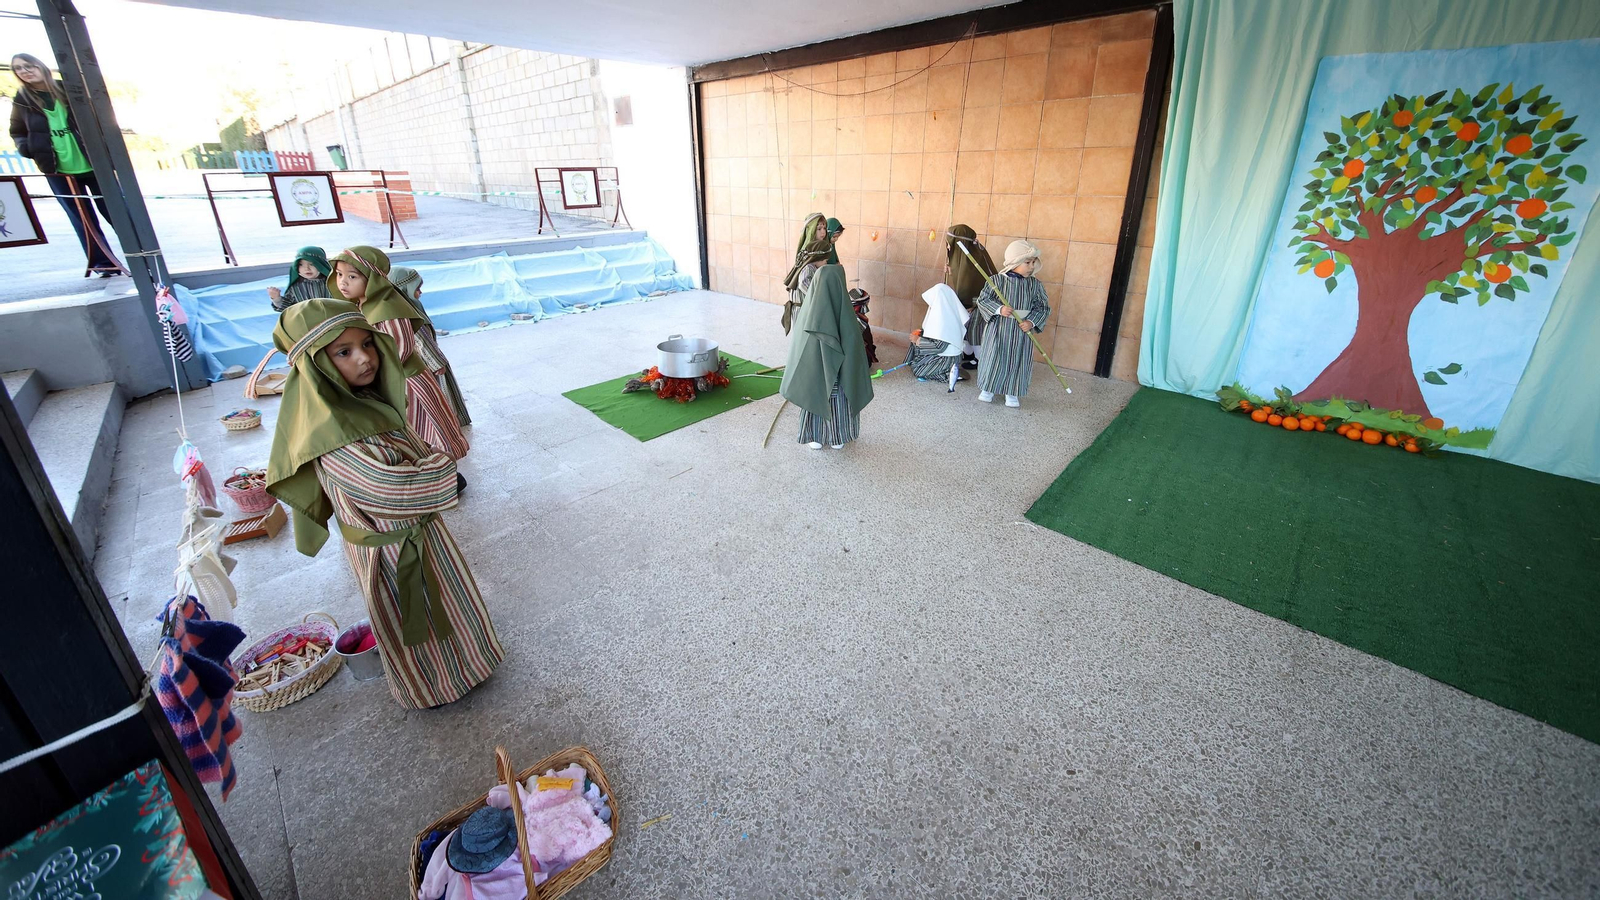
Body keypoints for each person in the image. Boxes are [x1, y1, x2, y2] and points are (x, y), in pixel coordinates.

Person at [264, 299, 503, 709]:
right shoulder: (333, 431)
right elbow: (389, 490)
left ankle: (467, 664)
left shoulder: (359, 405)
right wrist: (439, 466)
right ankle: (435, 685)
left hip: (414, 534)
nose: (364, 358)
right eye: (344, 352)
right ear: (316, 365)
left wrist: (425, 459)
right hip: (391, 547)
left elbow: (413, 450)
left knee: (442, 604)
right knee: (418, 617)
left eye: (367, 345)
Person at [329, 247, 471, 473]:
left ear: (373, 277)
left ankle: (446, 478)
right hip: (392, 381)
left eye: (352, 276)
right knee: (412, 435)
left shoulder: (388, 308)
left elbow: (400, 350)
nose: (343, 282)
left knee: (427, 431)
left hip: (407, 383)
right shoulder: (364, 304)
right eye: (339, 274)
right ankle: (432, 474)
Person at [8, 52, 123, 277]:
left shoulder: (68, 89)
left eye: (28, 66)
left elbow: (99, 116)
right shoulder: (22, 99)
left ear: (41, 66)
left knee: (117, 212)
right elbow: (17, 131)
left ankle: (139, 254)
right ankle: (103, 264)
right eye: (18, 69)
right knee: (82, 218)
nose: (24, 71)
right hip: (58, 170)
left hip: (93, 164)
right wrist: (27, 148)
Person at [780, 262, 874, 449]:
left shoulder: (808, 314)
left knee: (815, 396)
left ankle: (816, 436)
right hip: (841, 381)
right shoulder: (847, 312)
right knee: (839, 402)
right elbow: (855, 347)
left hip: (815, 378)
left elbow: (800, 351)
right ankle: (838, 436)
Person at [389, 265, 472, 428]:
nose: (420, 293)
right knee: (438, 395)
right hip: (426, 365)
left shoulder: (405, 307)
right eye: (417, 289)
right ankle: (447, 424)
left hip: (421, 364)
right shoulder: (408, 312)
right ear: (403, 288)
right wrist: (436, 363)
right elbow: (420, 340)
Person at [975, 240, 1051, 408]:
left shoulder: (1034, 285)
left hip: (1021, 331)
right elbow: (983, 300)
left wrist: (1031, 322)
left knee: (1017, 361)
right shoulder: (996, 281)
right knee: (994, 358)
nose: (1031, 266)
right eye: (1027, 262)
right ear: (1014, 262)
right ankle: (988, 389)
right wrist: (999, 309)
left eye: (1033, 263)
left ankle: (1012, 392)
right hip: (999, 329)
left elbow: (1043, 307)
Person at [780, 212, 843, 335]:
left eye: (824, 228)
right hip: (803, 306)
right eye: (818, 228)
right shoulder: (808, 260)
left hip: (810, 304)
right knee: (802, 336)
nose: (823, 232)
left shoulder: (825, 247)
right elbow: (808, 285)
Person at [945, 224, 996, 370]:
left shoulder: (971, 257)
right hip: (972, 301)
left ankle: (979, 359)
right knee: (965, 327)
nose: (948, 245)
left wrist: (970, 304)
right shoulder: (964, 253)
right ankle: (968, 354)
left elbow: (973, 284)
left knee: (974, 330)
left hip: (979, 301)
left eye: (950, 241)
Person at [904, 283, 969, 383]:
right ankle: (945, 370)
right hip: (941, 353)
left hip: (947, 357)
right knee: (915, 360)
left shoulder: (945, 319)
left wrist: (918, 340)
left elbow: (940, 346)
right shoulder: (944, 312)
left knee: (919, 370)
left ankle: (949, 374)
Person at [267, 246, 331, 311]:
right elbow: (288, 309)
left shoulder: (332, 284)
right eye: (301, 264)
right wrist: (276, 299)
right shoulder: (295, 288)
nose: (306, 268)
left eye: (312, 264)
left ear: (321, 265)